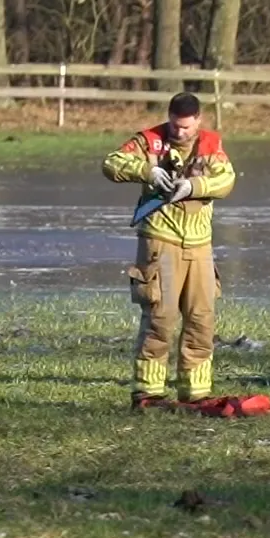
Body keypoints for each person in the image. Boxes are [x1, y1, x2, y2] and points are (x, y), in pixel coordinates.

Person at [102, 91, 236, 408]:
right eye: (175, 126)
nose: (180, 133)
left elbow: (226, 181)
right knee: (160, 319)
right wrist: (148, 172)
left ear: (198, 121)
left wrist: (193, 187)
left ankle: (196, 393)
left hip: (200, 245)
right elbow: (111, 164)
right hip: (159, 240)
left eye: (186, 127)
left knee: (202, 319)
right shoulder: (149, 141)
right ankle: (148, 393)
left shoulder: (211, 145)